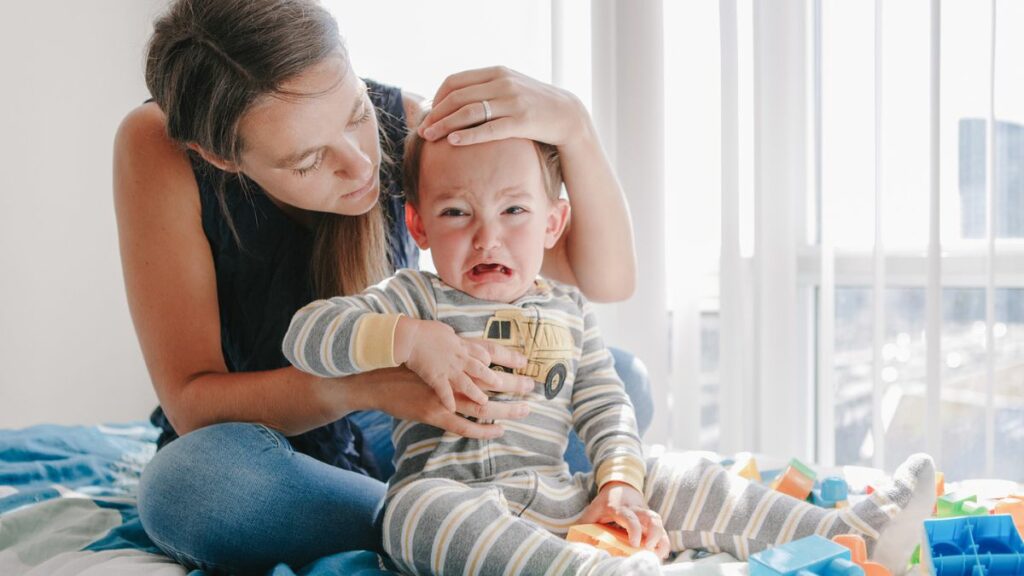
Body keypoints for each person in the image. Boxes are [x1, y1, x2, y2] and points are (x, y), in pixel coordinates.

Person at [114, 0, 648, 572]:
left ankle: (452, 520)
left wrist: (574, 126)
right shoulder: (158, 143)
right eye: (308, 160)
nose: (362, 164)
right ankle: (437, 519)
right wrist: (366, 385)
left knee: (622, 381)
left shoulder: (415, 127)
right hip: (270, 441)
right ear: (218, 156)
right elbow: (193, 402)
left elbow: (606, 280)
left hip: (393, 432)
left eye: (354, 113)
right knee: (190, 486)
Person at [283, 125, 937, 575]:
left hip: (554, 494)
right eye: (456, 213)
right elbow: (305, 336)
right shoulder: (412, 297)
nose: (487, 238)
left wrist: (620, 485)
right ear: (418, 225)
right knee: (408, 511)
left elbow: (606, 405)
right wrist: (405, 339)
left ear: (552, 222)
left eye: (514, 211)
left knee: (675, 472)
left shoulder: (567, 310)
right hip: (454, 498)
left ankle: (848, 529)